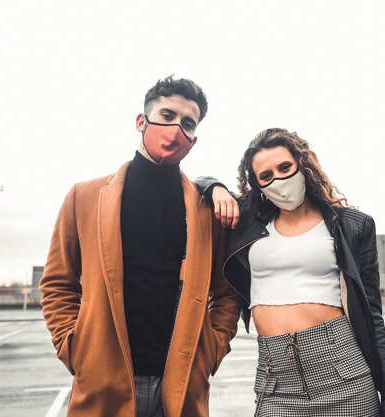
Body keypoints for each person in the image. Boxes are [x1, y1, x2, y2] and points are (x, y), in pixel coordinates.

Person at [40, 74, 241, 417]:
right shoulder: (83, 197)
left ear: (194, 138)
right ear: (141, 121)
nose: (176, 128)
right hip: (103, 382)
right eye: (167, 116)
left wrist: (213, 347)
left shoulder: (208, 209)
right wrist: (74, 347)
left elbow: (227, 292)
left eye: (187, 123)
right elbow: (58, 283)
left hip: (179, 386)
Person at [198, 128, 385, 417]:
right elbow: (197, 184)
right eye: (266, 175)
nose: (279, 180)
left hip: (343, 374)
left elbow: (373, 316)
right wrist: (215, 187)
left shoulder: (351, 226)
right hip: (276, 382)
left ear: (302, 165)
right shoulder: (247, 222)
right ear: (258, 186)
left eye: (285, 167)